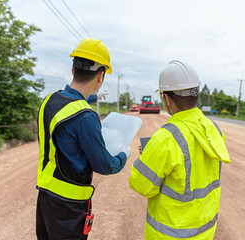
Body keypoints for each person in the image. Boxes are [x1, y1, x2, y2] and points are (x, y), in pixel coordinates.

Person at [36, 38, 131, 240]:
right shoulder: (86, 117)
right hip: (69, 207)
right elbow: (105, 165)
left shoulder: (49, 101)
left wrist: (94, 96)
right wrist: (124, 154)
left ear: (73, 70)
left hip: (45, 200)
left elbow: (70, 103)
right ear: (100, 76)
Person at [129, 60, 231, 239]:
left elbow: (141, 185)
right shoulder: (214, 129)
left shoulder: (165, 138)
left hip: (169, 235)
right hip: (204, 232)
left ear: (166, 98)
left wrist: (149, 158)